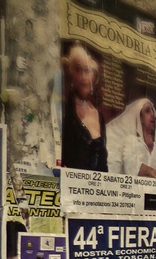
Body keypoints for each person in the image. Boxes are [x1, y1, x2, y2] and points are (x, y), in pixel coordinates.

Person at [61, 42, 108, 171]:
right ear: (69, 73)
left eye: (86, 70)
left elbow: (104, 164)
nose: (83, 77)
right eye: (77, 69)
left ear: (93, 76)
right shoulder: (63, 110)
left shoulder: (99, 116)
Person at [107, 98, 156, 178]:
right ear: (140, 119)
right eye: (147, 111)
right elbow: (130, 166)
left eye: (152, 111)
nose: (152, 114)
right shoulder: (131, 141)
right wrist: (150, 171)